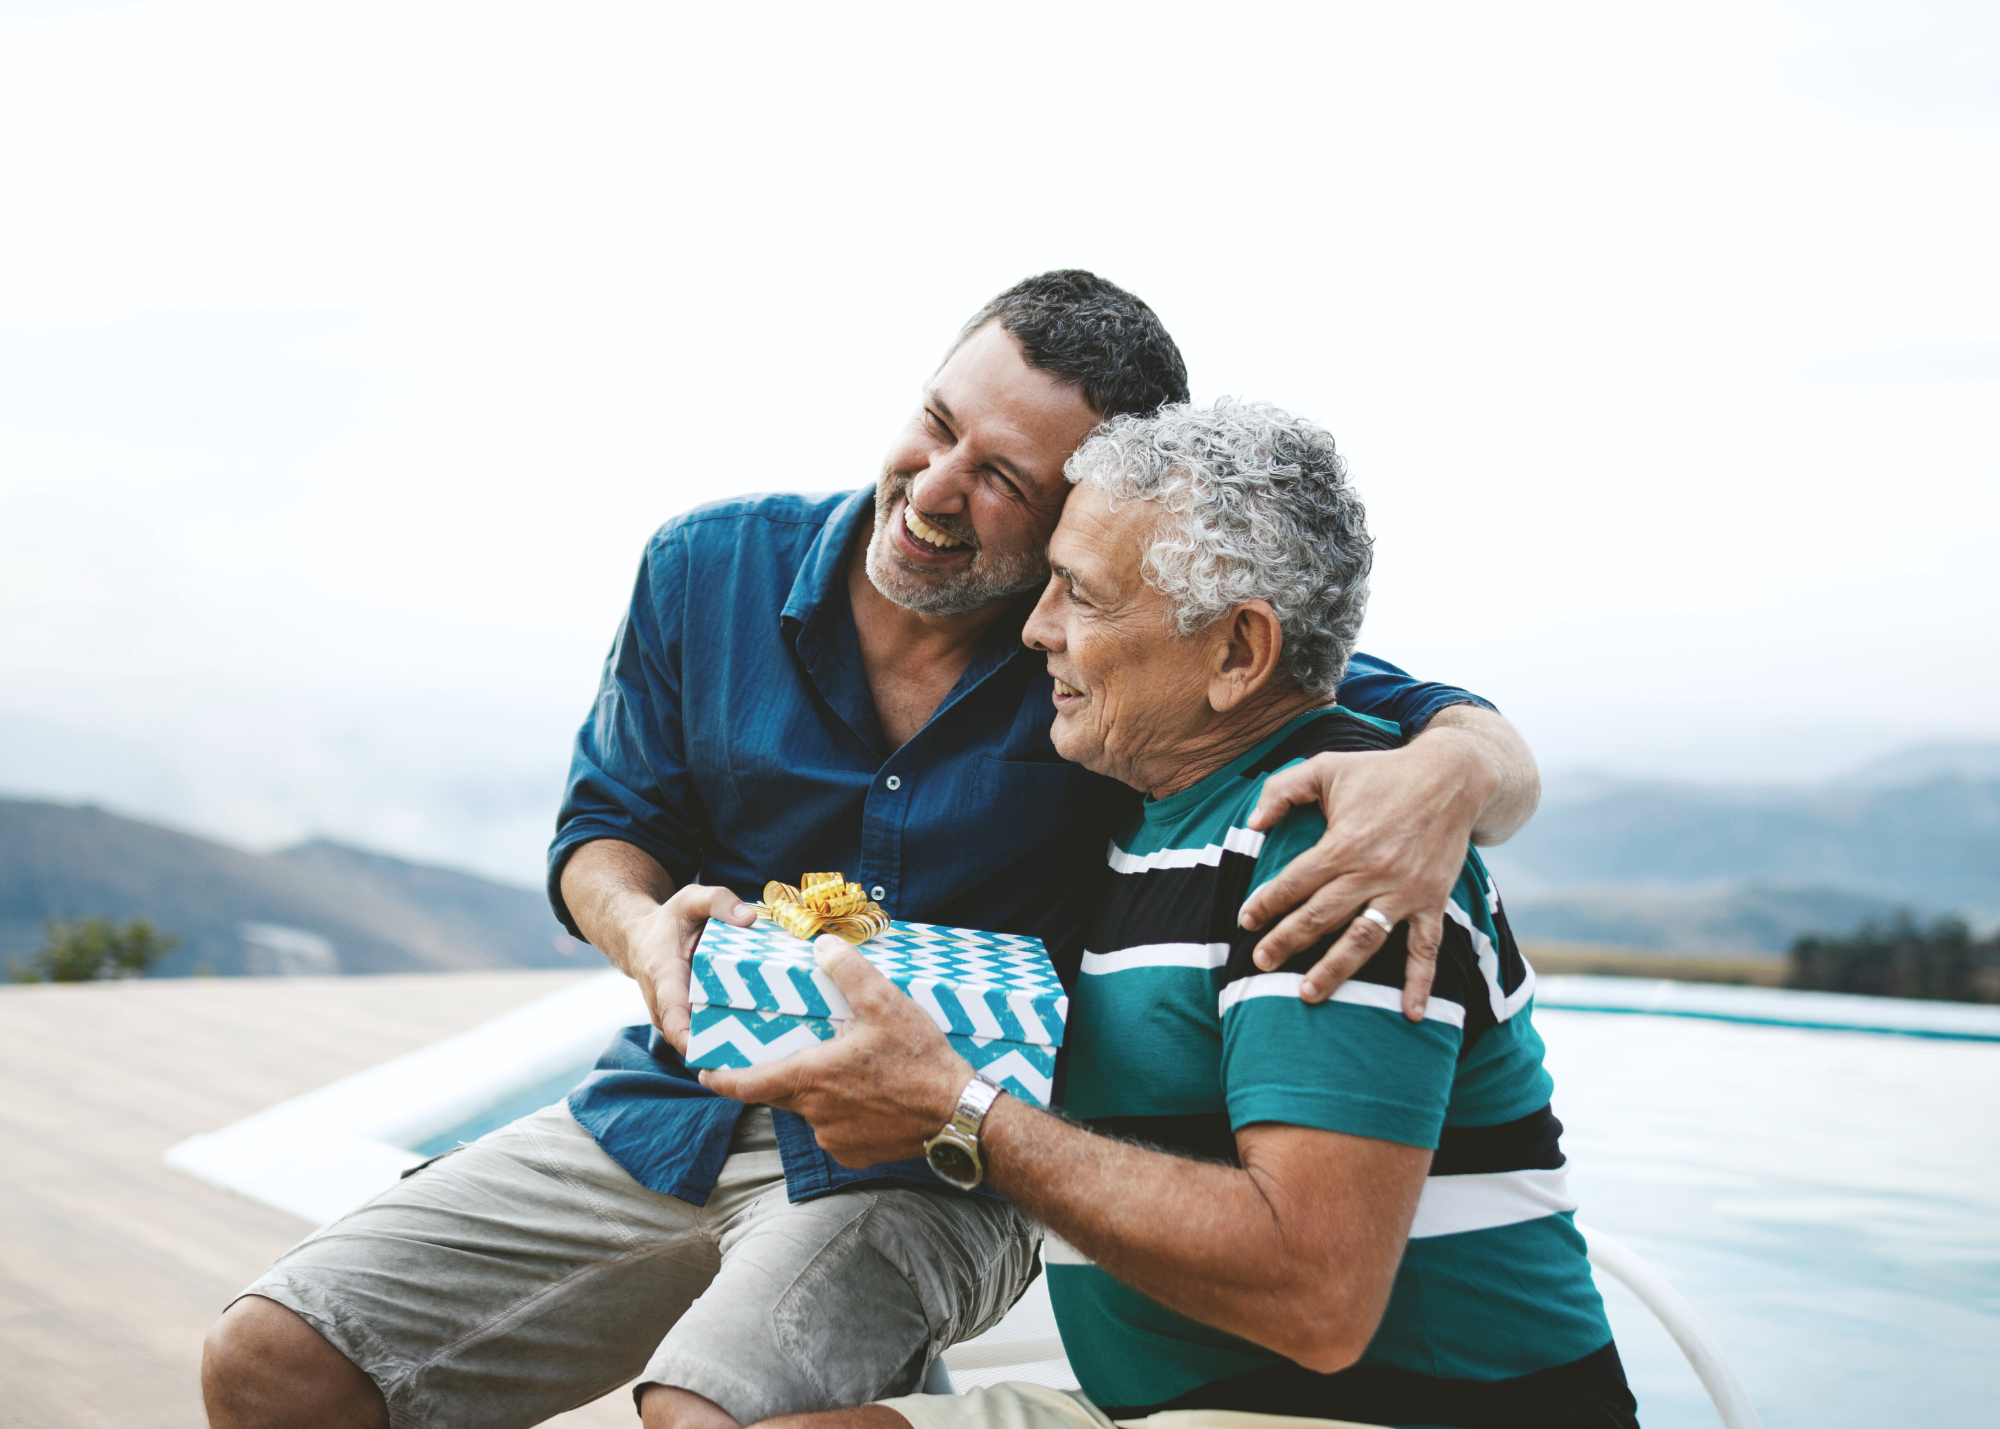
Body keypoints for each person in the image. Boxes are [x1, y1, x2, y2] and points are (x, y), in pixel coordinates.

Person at [201, 274, 1542, 1429]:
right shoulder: (706, 567)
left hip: (944, 1160)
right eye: (938, 425)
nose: (936, 490)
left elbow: (1336, 690)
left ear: (1087, 514)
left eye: (1004, 481)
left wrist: (1452, 775)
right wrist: (641, 927)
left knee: (713, 1403)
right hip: (676, 1102)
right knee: (270, 1359)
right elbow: (604, 832)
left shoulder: (1113, 646)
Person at [701, 400, 1636, 1429]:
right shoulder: (1135, 812)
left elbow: (1314, 1292)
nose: (1035, 627)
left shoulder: (1332, 849)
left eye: (1081, 593)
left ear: (1237, 653)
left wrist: (958, 1111)